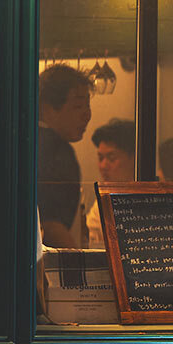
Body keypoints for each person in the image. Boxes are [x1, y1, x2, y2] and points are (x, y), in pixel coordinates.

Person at [38, 64, 93, 248]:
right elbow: (51, 225)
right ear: (47, 109)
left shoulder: (30, 142)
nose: (87, 115)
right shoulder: (57, 150)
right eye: (78, 106)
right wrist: (74, 260)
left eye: (88, 106)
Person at [84, 118, 136, 247]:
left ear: (134, 158)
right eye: (100, 158)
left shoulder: (148, 194)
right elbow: (90, 237)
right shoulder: (104, 198)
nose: (103, 166)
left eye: (111, 158)